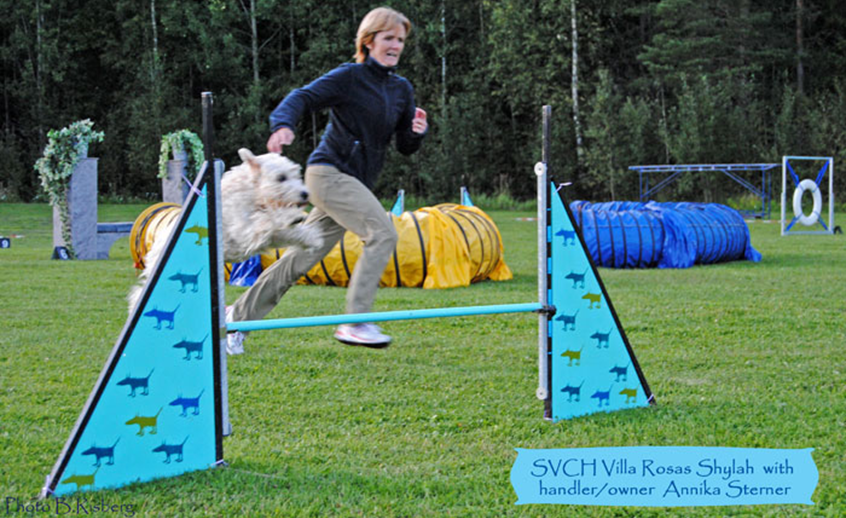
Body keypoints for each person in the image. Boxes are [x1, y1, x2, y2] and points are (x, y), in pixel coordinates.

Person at [226, 6, 428, 353]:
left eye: (401, 40)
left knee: (300, 259)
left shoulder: (401, 90)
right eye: (388, 38)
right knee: (382, 233)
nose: (396, 45)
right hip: (327, 174)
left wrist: (416, 132)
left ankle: (237, 317)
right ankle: (355, 321)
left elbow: (405, 146)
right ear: (369, 41)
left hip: (353, 185)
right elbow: (302, 96)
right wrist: (283, 124)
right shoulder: (350, 77)